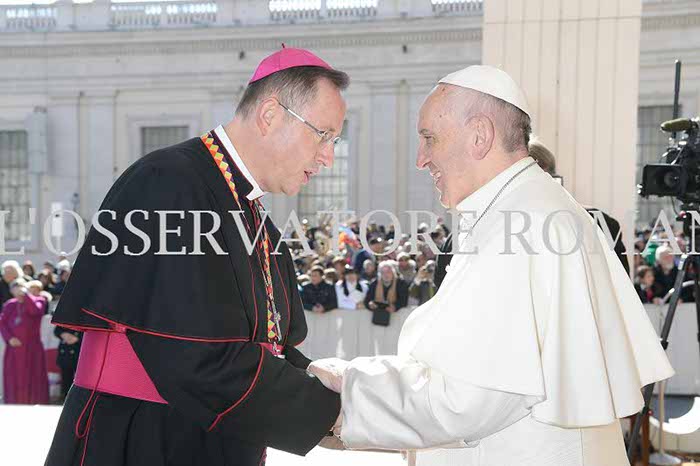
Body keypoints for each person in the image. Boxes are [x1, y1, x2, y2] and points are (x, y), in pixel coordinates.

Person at [308, 65, 673, 466]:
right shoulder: (521, 209)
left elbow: (466, 400)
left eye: (429, 138)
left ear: (480, 135)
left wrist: (347, 398)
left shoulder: (524, 224)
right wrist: (353, 381)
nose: (421, 159)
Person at [46, 46, 348, 466]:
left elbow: (263, 346)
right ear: (270, 115)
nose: (328, 156)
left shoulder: (252, 213)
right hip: (143, 439)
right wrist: (336, 414)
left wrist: (320, 383)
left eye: (334, 140)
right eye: (323, 135)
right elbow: (199, 361)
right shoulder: (169, 183)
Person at [0, 278, 50, 404]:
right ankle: (13, 402)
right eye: (15, 289)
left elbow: (35, 310)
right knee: (14, 376)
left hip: (31, 347)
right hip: (14, 347)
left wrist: (26, 295)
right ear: (11, 291)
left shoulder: (39, 300)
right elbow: (2, 323)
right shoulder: (10, 304)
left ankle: (34, 402)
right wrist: (9, 338)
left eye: (21, 288)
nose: (18, 292)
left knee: (33, 375)